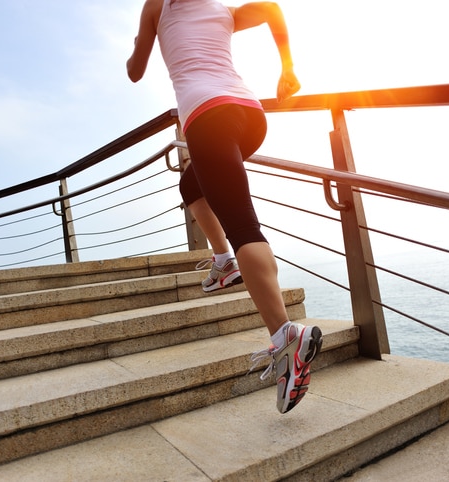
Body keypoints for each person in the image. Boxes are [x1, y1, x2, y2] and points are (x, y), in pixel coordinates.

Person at [127, 0, 321, 414]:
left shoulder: (156, 5)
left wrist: (142, 39)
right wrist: (287, 68)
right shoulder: (223, 9)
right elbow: (270, 7)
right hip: (250, 115)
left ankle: (285, 335)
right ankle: (224, 261)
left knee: (243, 224)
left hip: (207, 114)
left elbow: (134, 71)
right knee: (191, 182)